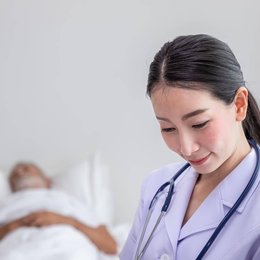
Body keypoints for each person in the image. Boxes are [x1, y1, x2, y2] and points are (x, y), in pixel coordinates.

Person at [120, 34, 260, 259]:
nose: (186, 148)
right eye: (168, 128)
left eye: (199, 124)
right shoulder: (157, 187)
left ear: (239, 106)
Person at [0, 162, 117, 255]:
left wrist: (61, 220)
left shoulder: (69, 201)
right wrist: (18, 224)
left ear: (47, 181)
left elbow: (110, 245)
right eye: (14, 174)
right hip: (17, 250)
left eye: (26, 168)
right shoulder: (6, 204)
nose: (19, 171)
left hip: (67, 247)